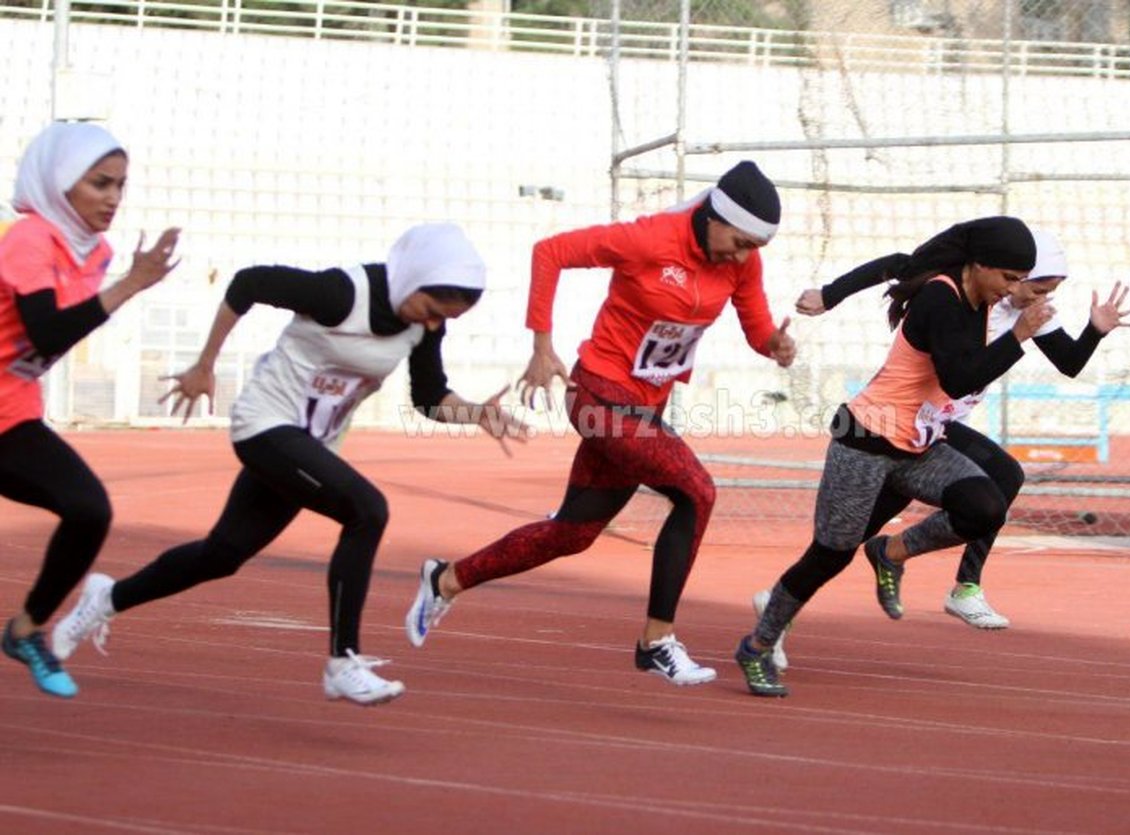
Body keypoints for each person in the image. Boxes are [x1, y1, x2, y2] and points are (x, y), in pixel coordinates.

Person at [52, 223, 526, 706]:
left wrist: (475, 413)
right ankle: (343, 661)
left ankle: (106, 599)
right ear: (412, 279)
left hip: (310, 446)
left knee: (222, 555)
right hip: (264, 426)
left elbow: (428, 397)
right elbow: (249, 283)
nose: (431, 324)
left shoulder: (423, 326)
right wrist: (205, 363)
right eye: (430, 310)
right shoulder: (341, 293)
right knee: (367, 510)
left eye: (442, 319)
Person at [404, 160, 796, 686]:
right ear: (713, 216)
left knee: (573, 532)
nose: (744, 255)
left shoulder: (741, 264)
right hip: (600, 393)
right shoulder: (650, 238)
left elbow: (756, 327)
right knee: (697, 492)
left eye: (755, 248)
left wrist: (776, 345)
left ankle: (446, 580)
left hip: (644, 405)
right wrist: (542, 345)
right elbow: (551, 253)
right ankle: (656, 641)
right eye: (740, 241)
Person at [735, 216, 1051, 697]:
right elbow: (959, 379)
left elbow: (898, 267)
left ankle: (891, 551)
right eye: (1008, 279)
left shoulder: (976, 298)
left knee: (985, 505)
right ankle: (758, 645)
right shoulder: (940, 298)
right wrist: (1018, 336)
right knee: (830, 555)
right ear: (979, 265)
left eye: (1020, 281)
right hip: (864, 439)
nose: (1012, 290)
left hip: (917, 446)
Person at [774, 228, 1130, 645]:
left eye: (1047, 293)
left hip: (931, 429)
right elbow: (897, 264)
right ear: (1006, 274)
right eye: (1034, 287)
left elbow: (1070, 362)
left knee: (1003, 478)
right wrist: (830, 294)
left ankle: (961, 584)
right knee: (839, 544)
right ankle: (779, 608)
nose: (1038, 299)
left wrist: (1095, 329)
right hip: (889, 425)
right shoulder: (962, 302)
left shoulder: (1026, 315)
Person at [0, 121, 179, 698]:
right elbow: (47, 332)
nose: (112, 198)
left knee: (88, 509)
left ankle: (26, 630)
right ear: (60, 183)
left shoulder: (94, 252)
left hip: (12, 415)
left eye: (120, 186)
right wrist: (129, 286)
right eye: (99, 183)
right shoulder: (30, 237)